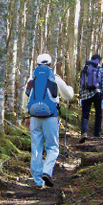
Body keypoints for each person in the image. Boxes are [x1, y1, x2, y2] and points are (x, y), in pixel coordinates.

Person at [22, 53, 74, 189]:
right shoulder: (55, 78)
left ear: (37, 65)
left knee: (36, 149)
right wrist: (71, 89)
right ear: (51, 65)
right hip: (51, 117)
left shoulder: (31, 79)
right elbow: (68, 96)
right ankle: (47, 171)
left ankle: (38, 182)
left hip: (34, 117)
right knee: (52, 148)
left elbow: (25, 98)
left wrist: (25, 116)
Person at [79, 54, 103, 143]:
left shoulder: (85, 69)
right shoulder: (100, 69)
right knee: (98, 115)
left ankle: (84, 133)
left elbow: (81, 83)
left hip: (85, 94)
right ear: (99, 60)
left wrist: (80, 96)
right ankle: (96, 134)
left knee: (85, 115)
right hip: (97, 93)